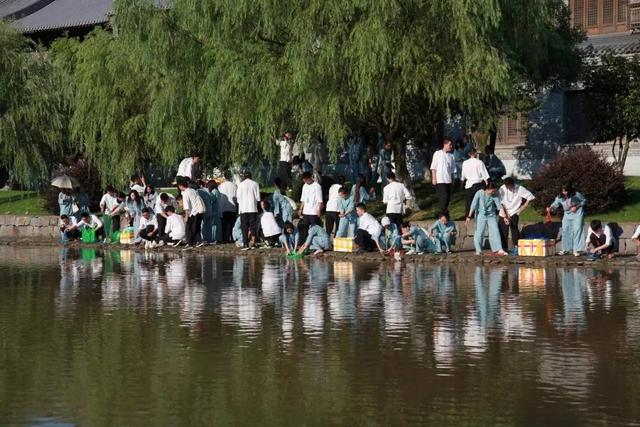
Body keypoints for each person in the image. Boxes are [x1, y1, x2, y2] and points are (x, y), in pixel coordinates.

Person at [466, 181, 508, 256]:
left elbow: (499, 206)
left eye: (494, 191)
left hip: (491, 215)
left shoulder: (495, 195)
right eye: (492, 191)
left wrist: (505, 217)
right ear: (488, 189)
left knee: (495, 231)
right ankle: (478, 250)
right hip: (481, 215)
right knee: (479, 232)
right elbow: (473, 204)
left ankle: (498, 249)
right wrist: (469, 217)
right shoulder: (480, 193)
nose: (493, 192)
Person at [547, 184, 586, 256]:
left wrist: (577, 207)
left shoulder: (577, 194)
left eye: (566, 191)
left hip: (577, 214)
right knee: (565, 230)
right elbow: (555, 204)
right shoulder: (560, 197)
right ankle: (566, 249)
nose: (565, 193)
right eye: (563, 191)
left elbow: (583, 201)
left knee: (577, 230)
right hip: (567, 215)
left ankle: (577, 250)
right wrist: (550, 207)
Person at [498, 177, 535, 252]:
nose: (509, 188)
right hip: (503, 212)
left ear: (513, 184)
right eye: (507, 187)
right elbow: (501, 203)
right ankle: (504, 248)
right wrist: (505, 216)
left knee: (514, 230)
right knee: (503, 230)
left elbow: (530, 196)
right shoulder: (502, 188)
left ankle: (517, 246)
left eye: (510, 186)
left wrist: (523, 207)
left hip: (514, 211)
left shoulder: (520, 188)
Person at [461, 147, 489, 217]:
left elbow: (463, 175)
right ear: (476, 153)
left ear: (468, 154)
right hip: (478, 184)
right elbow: (484, 174)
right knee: (479, 201)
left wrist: (462, 184)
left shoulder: (465, 163)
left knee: (469, 202)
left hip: (468, 185)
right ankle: (481, 214)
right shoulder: (479, 162)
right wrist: (487, 184)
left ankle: (469, 215)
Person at [430, 138, 456, 215]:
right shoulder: (437, 153)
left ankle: (445, 213)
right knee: (443, 197)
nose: (451, 146)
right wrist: (434, 178)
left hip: (448, 180)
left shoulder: (451, 156)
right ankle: (443, 214)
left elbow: (452, 170)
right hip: (440, 180)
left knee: (447, 198)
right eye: (450, 144)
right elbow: (433, 167)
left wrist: (453, 179)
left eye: (451, 145)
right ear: (445, 144)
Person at [178, 179, 206, 248]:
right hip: (199, 211)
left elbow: (186, 206)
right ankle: (198, 241)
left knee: (189, 228)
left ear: (181, 186)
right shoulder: (193, 190)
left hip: (193, 213)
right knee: (197, 227)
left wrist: (186, 216)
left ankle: (190, 242)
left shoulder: (185, 193)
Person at [236, 171, 260, 250]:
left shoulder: (240, 185)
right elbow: (258, 198)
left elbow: (238, 199)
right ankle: (253, 242)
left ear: (244, 177)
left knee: (244, 227)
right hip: (252, 208)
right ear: (251, 176)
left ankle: (245, 243)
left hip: (243, 208)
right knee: (253, 226)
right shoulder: (255, 184)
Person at [299, 171, 323, 243]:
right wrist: (300, 209)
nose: (305, 181)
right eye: (304, 180)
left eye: (306, 180)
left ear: (310, 178)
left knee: (315, 228)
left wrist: (318, 210)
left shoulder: (317, 186)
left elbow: (320, 200)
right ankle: (304, 242)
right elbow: (303, 199)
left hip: (314, 212)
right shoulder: (304, 186)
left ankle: (316, 243)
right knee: (305, 228)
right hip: (306, 211)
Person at [218, 171, 238, 243]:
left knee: (224, 224)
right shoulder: (234, 185)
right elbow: (236, 197)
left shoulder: (221, 186)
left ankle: (223, 239)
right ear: (231, 177)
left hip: (223, 207)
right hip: (232, 207)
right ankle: (233, 238)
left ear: (224, 177)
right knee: (232, 224)